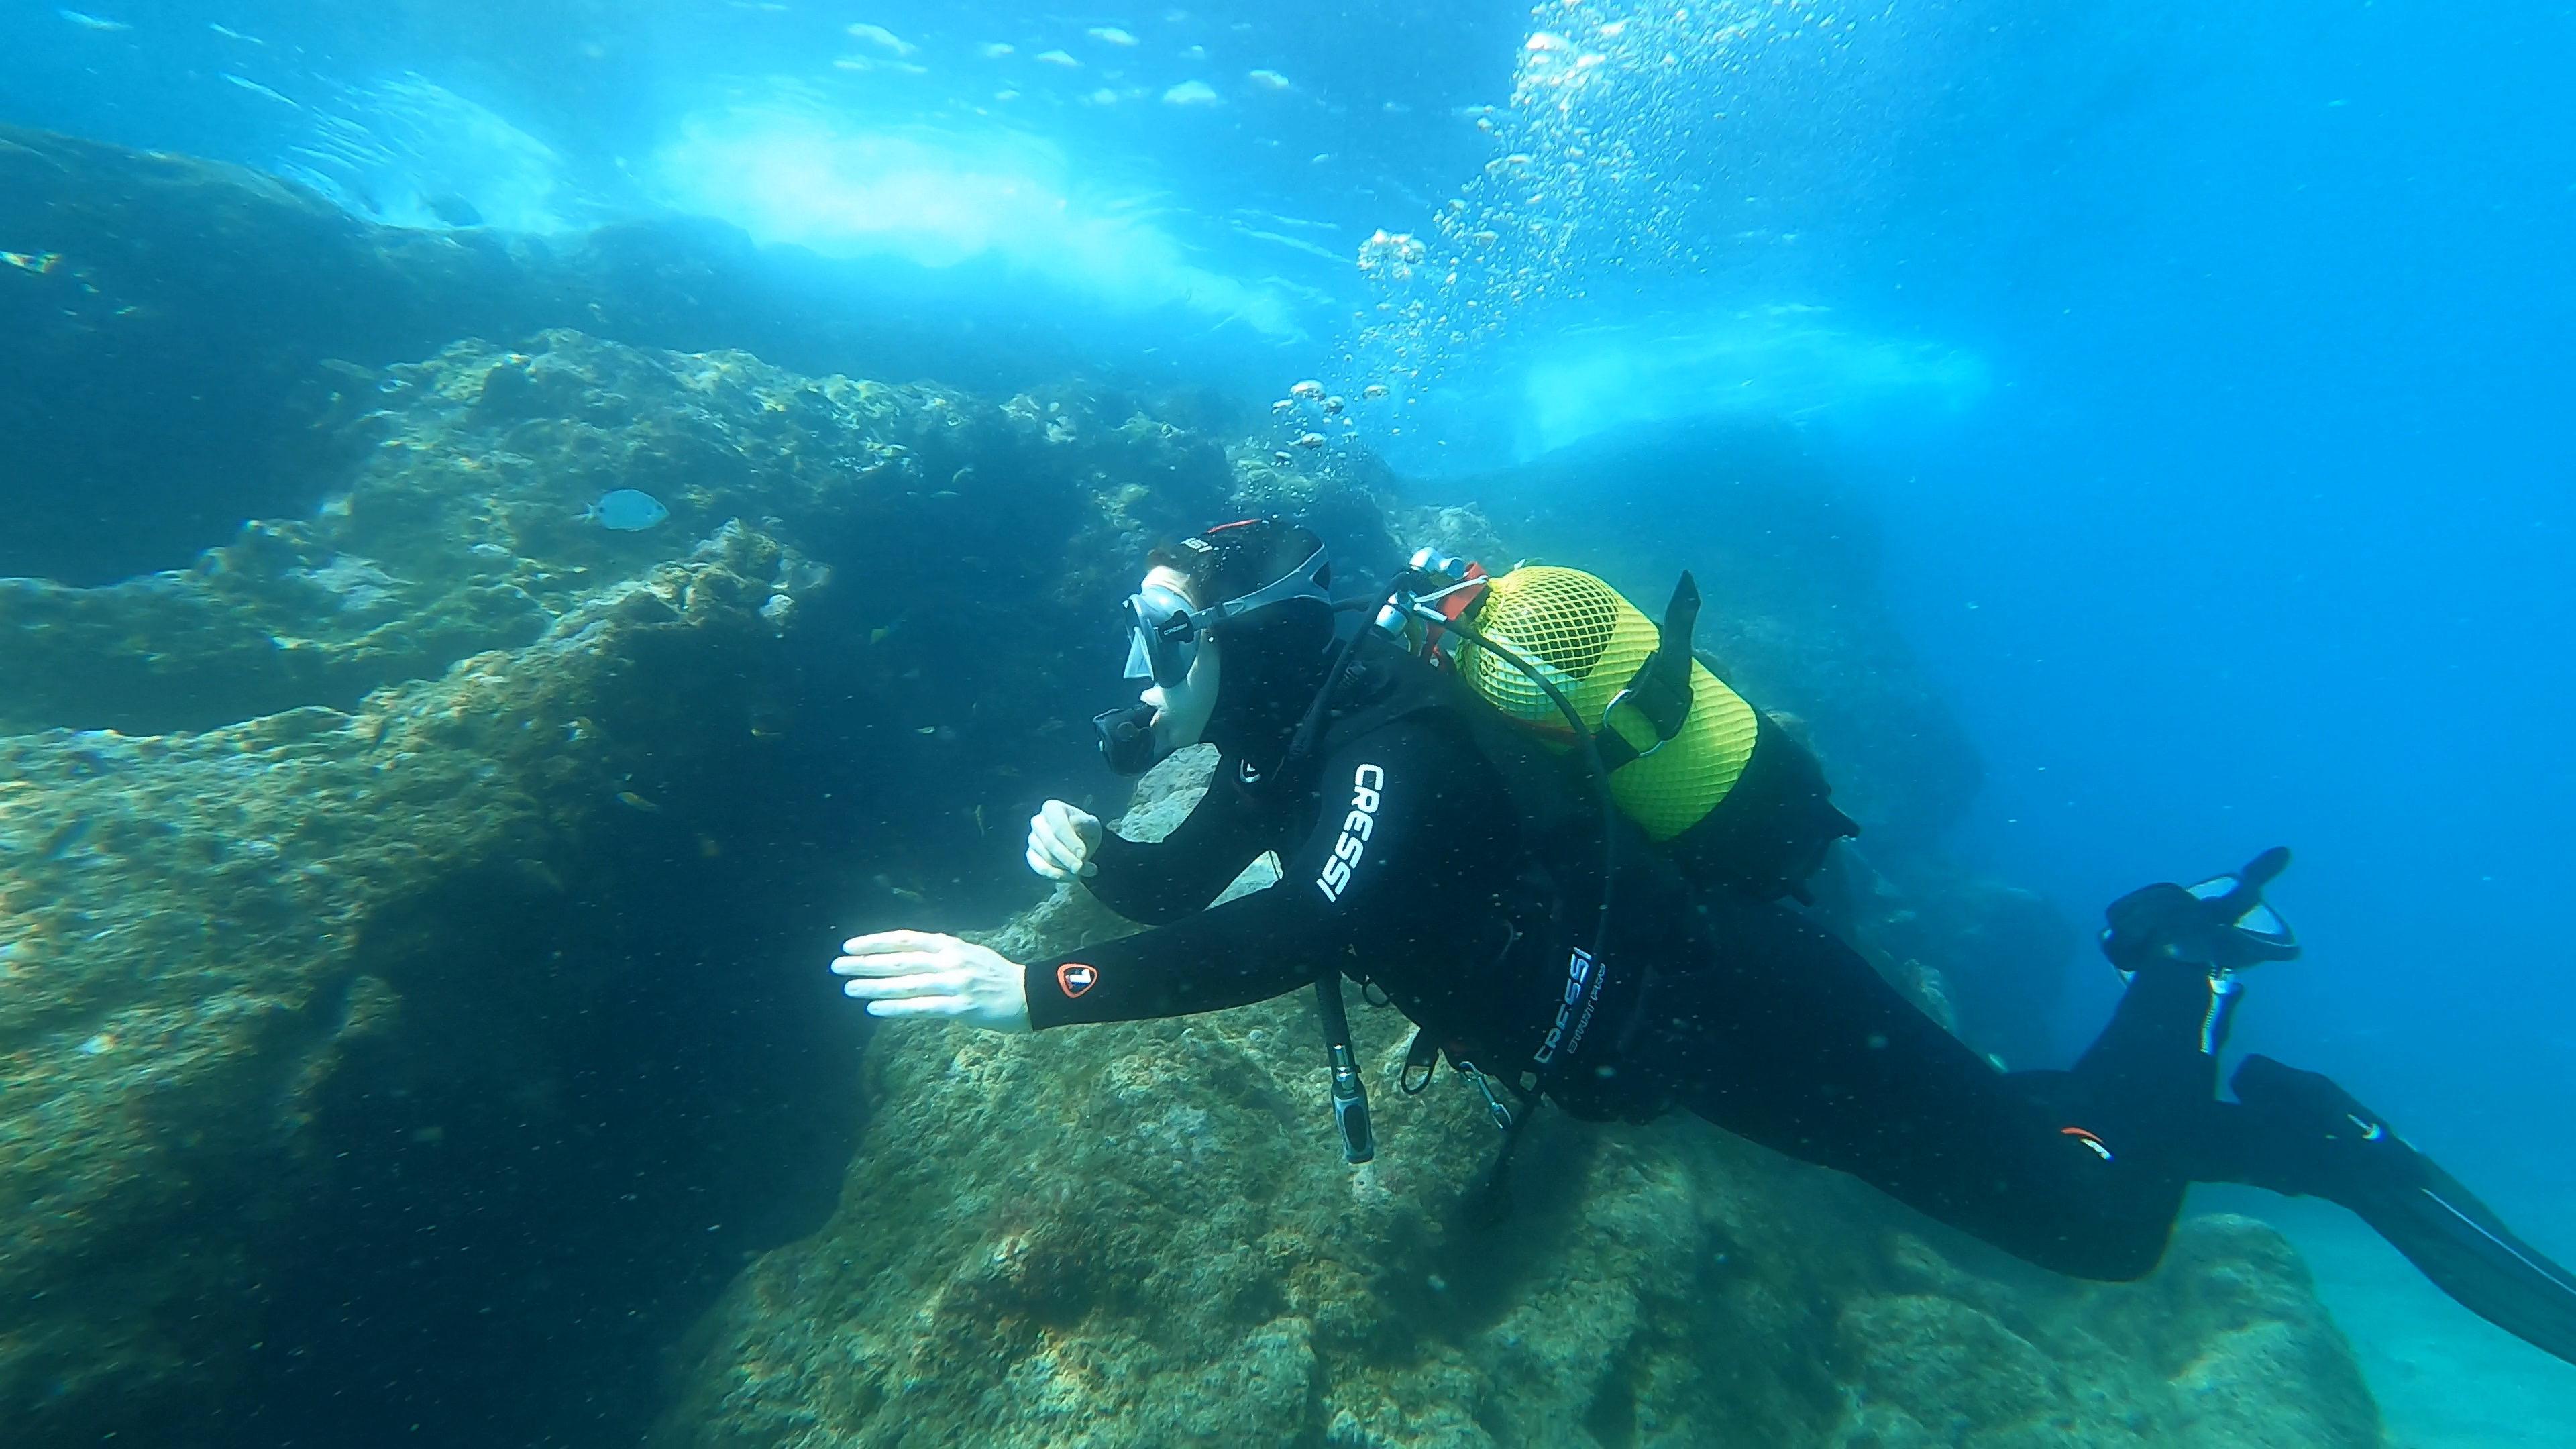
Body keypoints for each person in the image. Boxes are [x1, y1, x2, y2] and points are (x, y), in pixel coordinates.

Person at [833, 517, 2576, 1368]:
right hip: (1691, 1049)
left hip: (1745, 998)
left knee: (2099, 1225)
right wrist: (1095, 861)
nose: (1140, 674)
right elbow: (1183, 892)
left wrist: (1036, 989)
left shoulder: (1388, 737)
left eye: (1164, 638)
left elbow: (1310, 922)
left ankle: (2201, 982)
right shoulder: (1284, 753)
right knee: (2031, 1144)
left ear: (1256, 630)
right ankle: (2213, 1044)